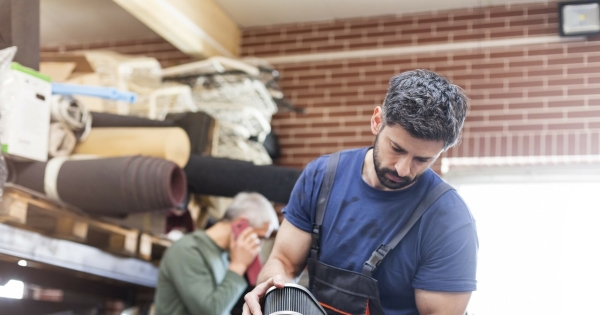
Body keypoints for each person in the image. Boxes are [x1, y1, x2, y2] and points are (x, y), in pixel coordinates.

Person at [243, 69, 478, 315]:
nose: (402, 168)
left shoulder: (450, 220)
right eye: (396, 148)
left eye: (422, 159)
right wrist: (272, 294)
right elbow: (283, 261)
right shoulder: (321, 177)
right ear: (377, 121)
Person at [155, 192, 279, 315]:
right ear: (241, 225)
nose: (259, 246)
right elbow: (210, 311)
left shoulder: (223, 257)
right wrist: (239, 265)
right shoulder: (187, 250)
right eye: (259, 237)